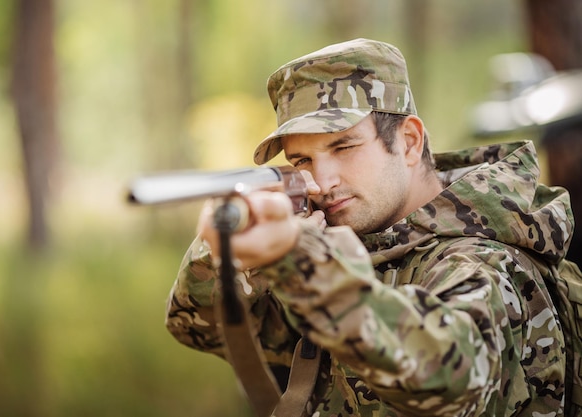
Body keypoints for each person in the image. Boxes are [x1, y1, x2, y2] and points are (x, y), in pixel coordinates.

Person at [165, 38, 574, 416]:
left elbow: (448, 378)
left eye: (343, 146)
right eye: (302, 160)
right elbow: (199, 329)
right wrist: (231, 247)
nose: (321, 183)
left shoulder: (483, 261)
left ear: (410, 142)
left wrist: (302, 262)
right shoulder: (350, 238)